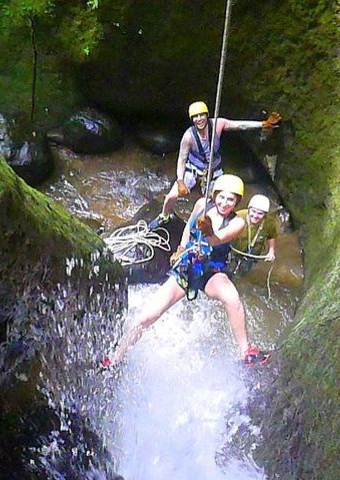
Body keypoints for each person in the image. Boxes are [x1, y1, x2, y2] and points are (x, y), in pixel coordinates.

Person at [103, 174, 269, 367]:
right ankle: (115, 357)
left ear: (237, 202)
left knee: (232, 298)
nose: (225, 203)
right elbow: (188, 227)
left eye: (230, 199)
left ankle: (246, 351)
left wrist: (208, 231)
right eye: (221, 197)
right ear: (214, 195)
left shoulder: (238, 222)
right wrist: (181, 248)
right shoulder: (201, 204)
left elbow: (218, 239)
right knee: (147, 316)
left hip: (211, 270)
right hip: (187, 266)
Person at [148, 101, 281, 229]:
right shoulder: (189, 136)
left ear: (207, 115)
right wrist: (180, 180)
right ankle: (164, 216)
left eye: (201, 115)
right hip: (194, 170)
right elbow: (182, 160)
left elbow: (239, 125)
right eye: (195, 117)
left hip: (214, 171)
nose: (199, 119)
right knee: (171, 196)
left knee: (214, 201)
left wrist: (263, 124)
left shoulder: (218, 124)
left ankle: (208, 225)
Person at [228, 194, 279, 277]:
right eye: (253, 211)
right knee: (228, 269)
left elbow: (271, 236)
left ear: (265, 215)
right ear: (249, 210)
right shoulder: (238, 216)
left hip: (253, 252)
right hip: (234, 249)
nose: (255, 216)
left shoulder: (269, 223)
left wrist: (271, 251)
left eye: (260, 213)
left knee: (244, 272)